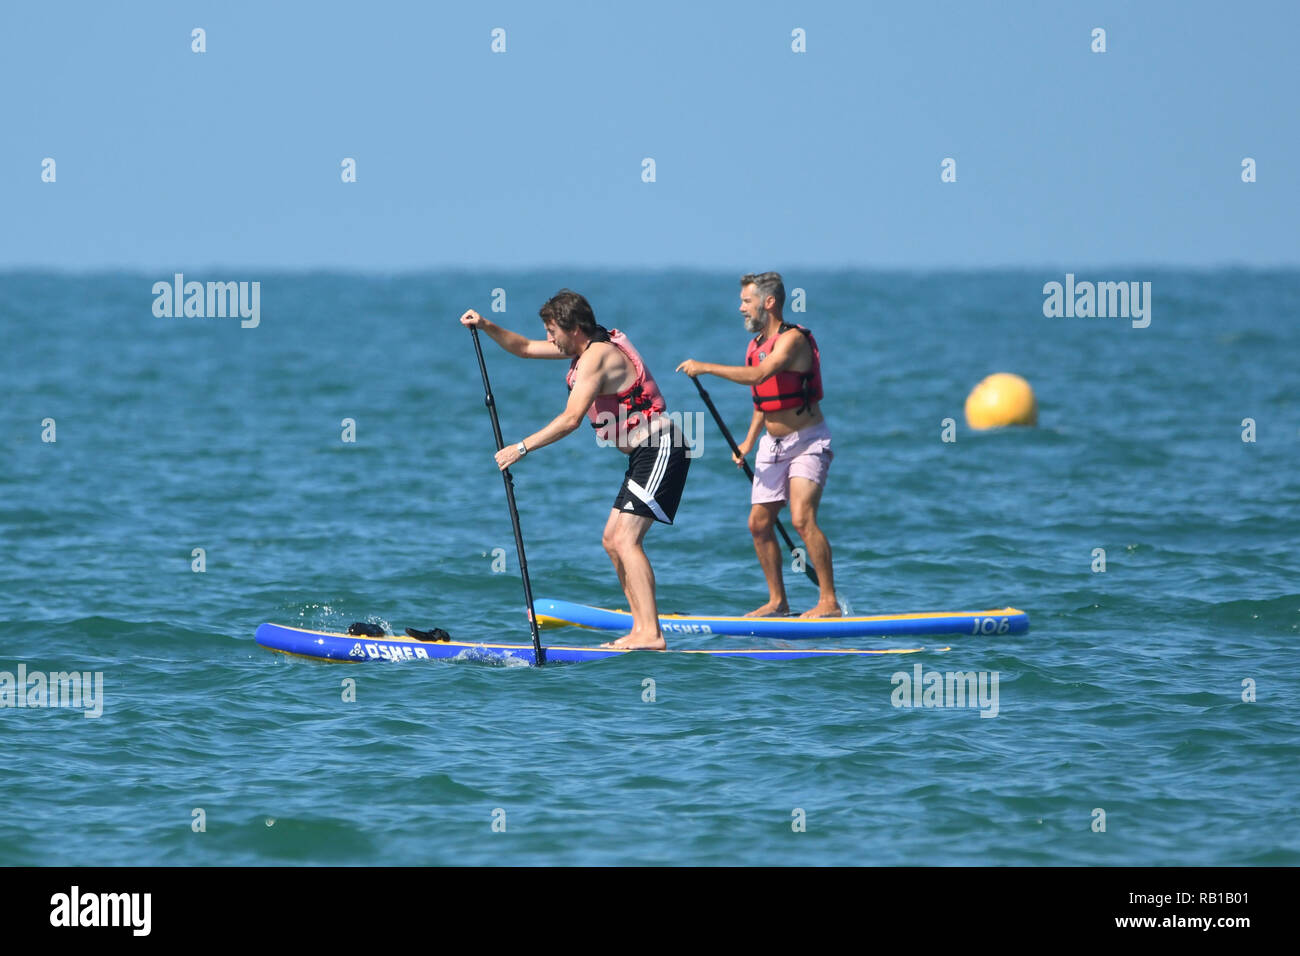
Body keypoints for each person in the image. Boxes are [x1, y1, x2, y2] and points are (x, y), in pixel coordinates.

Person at [460, 290, 690, 649]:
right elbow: (523, 348)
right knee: (612, 541)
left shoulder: (598, 356)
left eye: (553, 331)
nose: (549, 339)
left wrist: (521, 447)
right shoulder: (583, 347)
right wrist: (486, 324)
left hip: (662, 449)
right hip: (642, 455)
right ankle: (640, 628)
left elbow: (570, 420)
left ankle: (652, 633)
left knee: (627, 540)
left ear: (575, 329)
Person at [677, 272, 839, 618]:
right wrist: (748, 442)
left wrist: (705, 367)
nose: (740, 308)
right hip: (772, 444)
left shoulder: (792, 340)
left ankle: (829, 602)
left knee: (801, 518)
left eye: (747, 301)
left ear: (769, 302)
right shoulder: (754, 347)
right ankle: (778, 601)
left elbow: (760, 376)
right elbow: (762, 400)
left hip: (808, 441)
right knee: (759, 524)